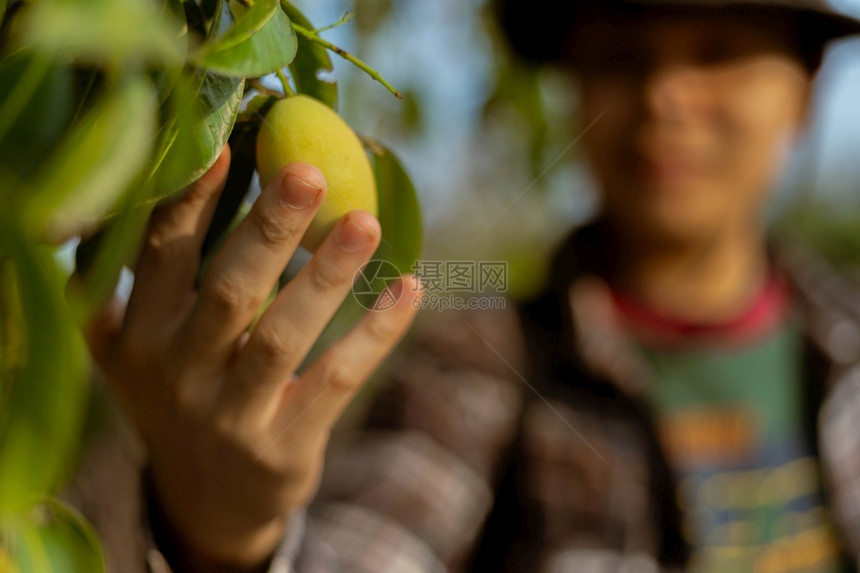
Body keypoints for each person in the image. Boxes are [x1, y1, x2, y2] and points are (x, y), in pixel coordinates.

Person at [68, 0, 860, 571]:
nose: (665, 97)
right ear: (576, 80)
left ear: (805, 86)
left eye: (717, 48)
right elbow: (374, 539)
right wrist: (230, 534)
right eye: (623, 53)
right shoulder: (478, 365)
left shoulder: (847, 341)